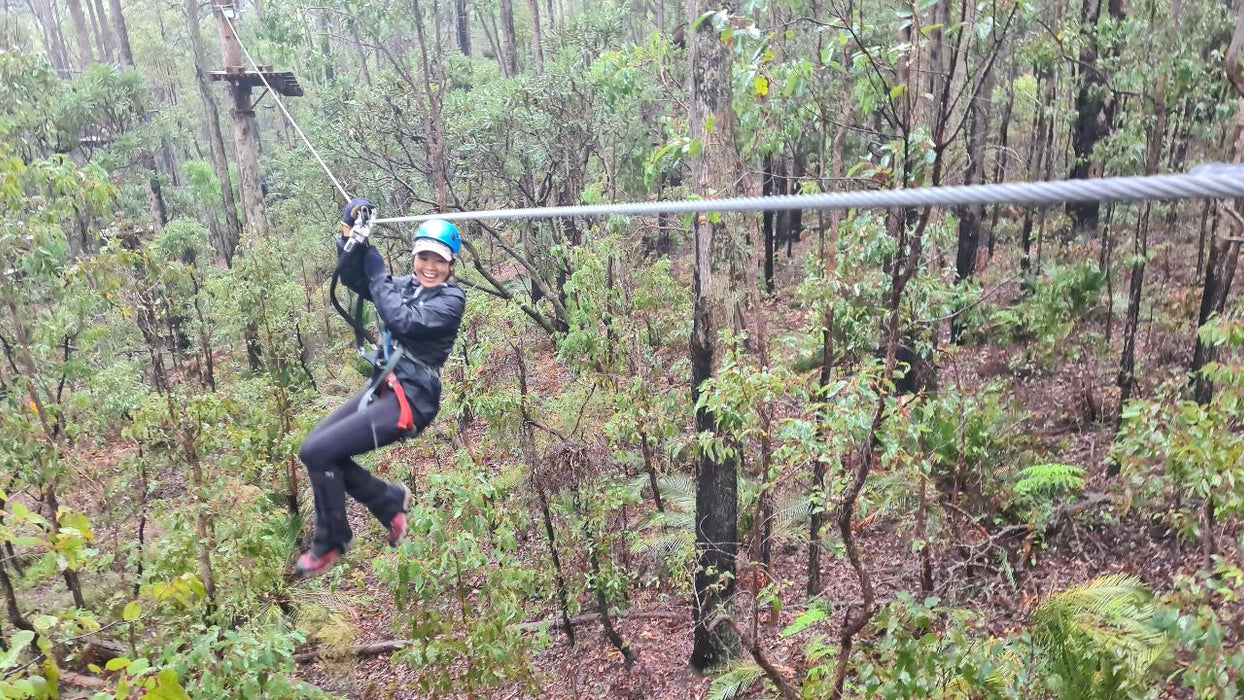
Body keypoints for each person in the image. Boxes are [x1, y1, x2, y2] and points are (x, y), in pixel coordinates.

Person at [295, 198, 466, 577]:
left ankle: (331, 540)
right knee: (314, 451)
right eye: (424, 257)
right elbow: (357, 279)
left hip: (413, 400)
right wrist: (349, 233)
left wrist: (376, 268)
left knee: (322, 452)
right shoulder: (407, 285)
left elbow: (401, 319)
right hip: (386, 388)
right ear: (415, 257)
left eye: (439, 260)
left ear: (451, 265)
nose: (430, 267)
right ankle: (388, 502)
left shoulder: (451, 300)